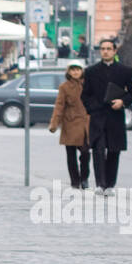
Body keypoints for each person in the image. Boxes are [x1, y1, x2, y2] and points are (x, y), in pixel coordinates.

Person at [80, 38, 132, 195]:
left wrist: (122, 101)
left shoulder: (124, 71)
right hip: (98, 117)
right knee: (98, 150)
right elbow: (85, 95)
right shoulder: (91, 71)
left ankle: (110, 185)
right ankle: (100, 183)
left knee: (114, 150)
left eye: (108, 48)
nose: (105, 51)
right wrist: (92, 109)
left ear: (114, 51)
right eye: (102, 48)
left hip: (115, 117)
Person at [49, 59, 90, 189]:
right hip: (70, 123)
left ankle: (84, 178)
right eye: (73, 70)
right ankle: (75, 181)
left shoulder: (89, 85)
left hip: (85, 124)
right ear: (69, 72)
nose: (75, 72)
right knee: (71, 155)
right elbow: (59, 106)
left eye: (78, 69)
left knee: (85, 153)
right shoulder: (64, 87)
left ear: (82, 71)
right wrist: (54, 123)